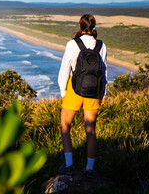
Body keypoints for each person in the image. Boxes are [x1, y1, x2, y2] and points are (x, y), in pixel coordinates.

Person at [57, 13, 107, 179]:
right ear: (93, 28)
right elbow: (104, 72)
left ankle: (69, 165)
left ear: (80, 27)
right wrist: (103, 93)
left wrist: (63, 92)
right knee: (91, 131)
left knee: (65, 126)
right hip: (94, 91)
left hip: (74, 89)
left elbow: (65, 70)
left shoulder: (72, 44)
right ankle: (89, 168)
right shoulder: (101, 45)